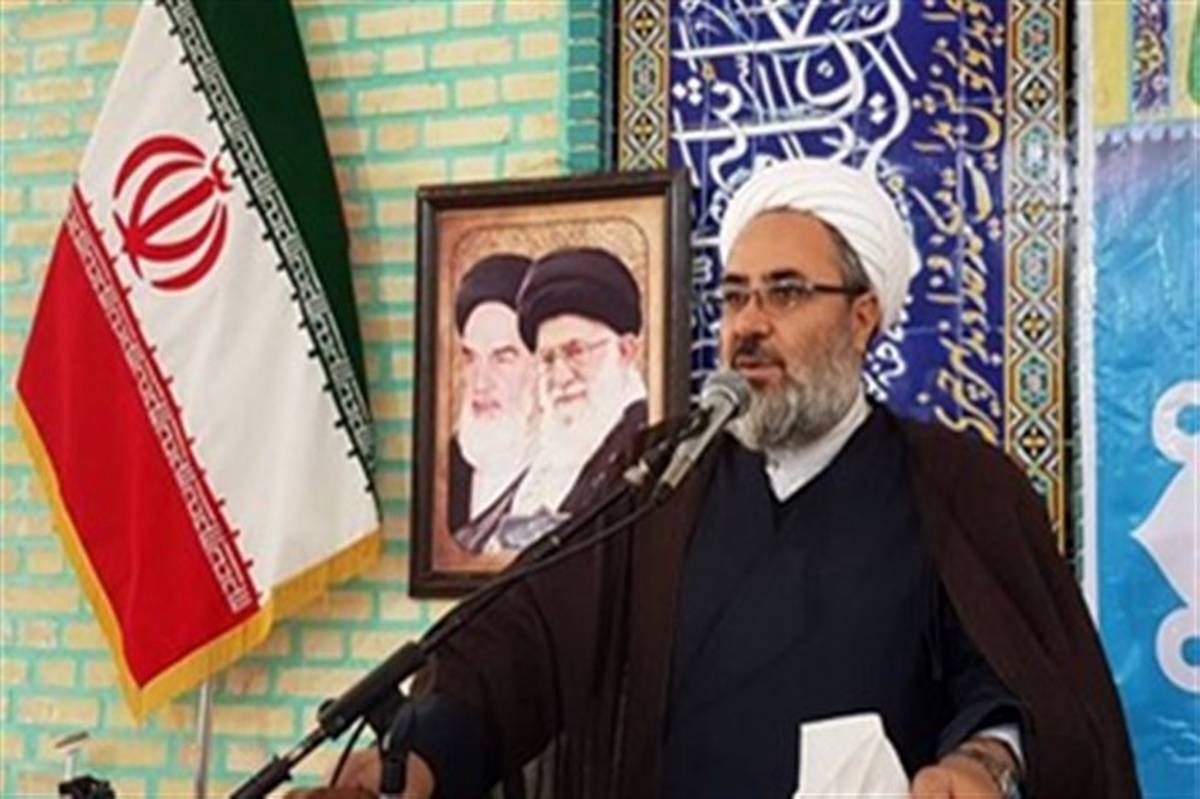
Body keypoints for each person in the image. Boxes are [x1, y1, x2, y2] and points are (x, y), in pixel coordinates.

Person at [318, 159, 1138, 798]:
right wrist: (422, 755)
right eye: (736, 297)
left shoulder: (956, 483)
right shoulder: (663, 475)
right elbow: (528, 636)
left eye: (786, 293)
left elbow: (1017, 687)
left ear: (862, 318)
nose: (748, 324)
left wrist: (984, 760)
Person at [460, 246, 649, 552]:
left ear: (626, 351)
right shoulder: (554, 453)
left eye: (576, 352)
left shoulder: (647, 450)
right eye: (548, 359)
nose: (560, 376)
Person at [447, 254, 538, 554]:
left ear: (540, 364)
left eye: (503, 358)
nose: (481, 382)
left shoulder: (568, 471)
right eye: (471, 358)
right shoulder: (446, 469)